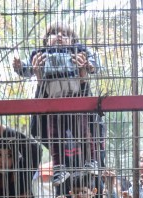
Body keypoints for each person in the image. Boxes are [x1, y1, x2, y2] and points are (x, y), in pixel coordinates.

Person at [13, 22, 105, 175]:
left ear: (73, 41)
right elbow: (28, 68)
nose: (60, 36)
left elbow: (95, 62)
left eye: (65, 34)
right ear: (46, 40)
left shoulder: (77, 51)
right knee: (55, 136)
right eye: (54, 33)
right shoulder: (41, 54)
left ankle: (92, 161)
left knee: (83, 132)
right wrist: (19, 67)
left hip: (75, 101)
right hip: (54, 104)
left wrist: (89, 66)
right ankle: (58, 168)